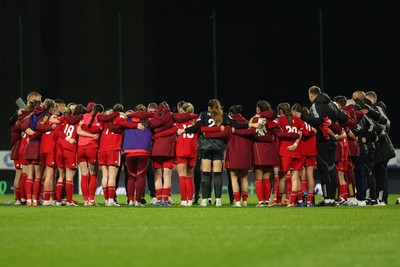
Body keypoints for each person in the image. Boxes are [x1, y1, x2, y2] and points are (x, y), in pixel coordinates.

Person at [178, 99, 254, 207]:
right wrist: (249, 124)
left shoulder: (203, 114)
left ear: (209, 107)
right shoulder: (224, 115)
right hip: (218, 147)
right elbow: (236, 125)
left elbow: (197, 127)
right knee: (218, 175)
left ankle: (204, 200)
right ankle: (218, 200)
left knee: (206, 174)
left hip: (206, 147)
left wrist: (184, 131)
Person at [293, 85, 348, 206]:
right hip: (333, 140)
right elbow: (344, 117)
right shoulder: (332, 104)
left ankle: (327, 198)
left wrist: (301, 116)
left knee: (324, 170)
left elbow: (317, 121)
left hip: (323, 140)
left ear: (311, 95)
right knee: (331, 169)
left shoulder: (315, 105)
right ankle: (333, 199)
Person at [365, 91, 393, 205]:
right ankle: (376, 198)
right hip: (377, 147)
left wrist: (380, 133)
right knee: (375, 174)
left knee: (380, 173)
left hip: (383, 148)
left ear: (374, 100)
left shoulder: (377, 108)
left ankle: (382, 200)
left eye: (368, 100)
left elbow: (387, 124)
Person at [77, 103, 104, 206]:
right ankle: (91, 200)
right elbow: (96, 131)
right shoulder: (99, 118)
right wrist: (92, 136)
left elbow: (78, 131)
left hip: (80, 148)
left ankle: (85, 201)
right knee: (93, 174)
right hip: (91, 148)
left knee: (84, 174)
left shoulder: (83, 117)